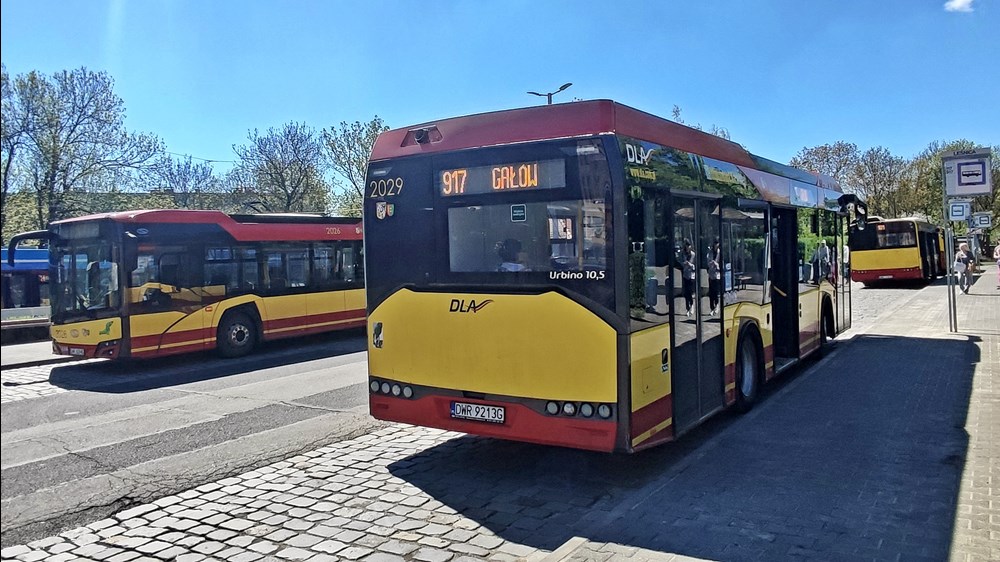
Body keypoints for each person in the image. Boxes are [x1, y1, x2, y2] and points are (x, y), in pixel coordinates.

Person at [678, 238, 696, 317]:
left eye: (689, 245)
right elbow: (680, 261)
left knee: (690, 291)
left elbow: (695, 265)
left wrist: (690, 265)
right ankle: (687, 308)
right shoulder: (683, 253)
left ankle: (691, 305)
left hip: (691, 275)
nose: (688, 247)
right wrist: (683, 264)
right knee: (686, 293)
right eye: (686, 246)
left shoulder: (693, 254)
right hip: (685, 274)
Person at [706, 239, 721, 316]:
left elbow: (722, 263)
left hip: (717, 275)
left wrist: (717, 265)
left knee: (716, 292)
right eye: (715, 243)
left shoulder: (720, 252)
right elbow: (707, 261)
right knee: (711, 293)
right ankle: (712, 308)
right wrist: (710, 263)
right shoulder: (710, 252)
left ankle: (717, 305)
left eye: (717, 243)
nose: (716, 245)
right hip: (711, 274)